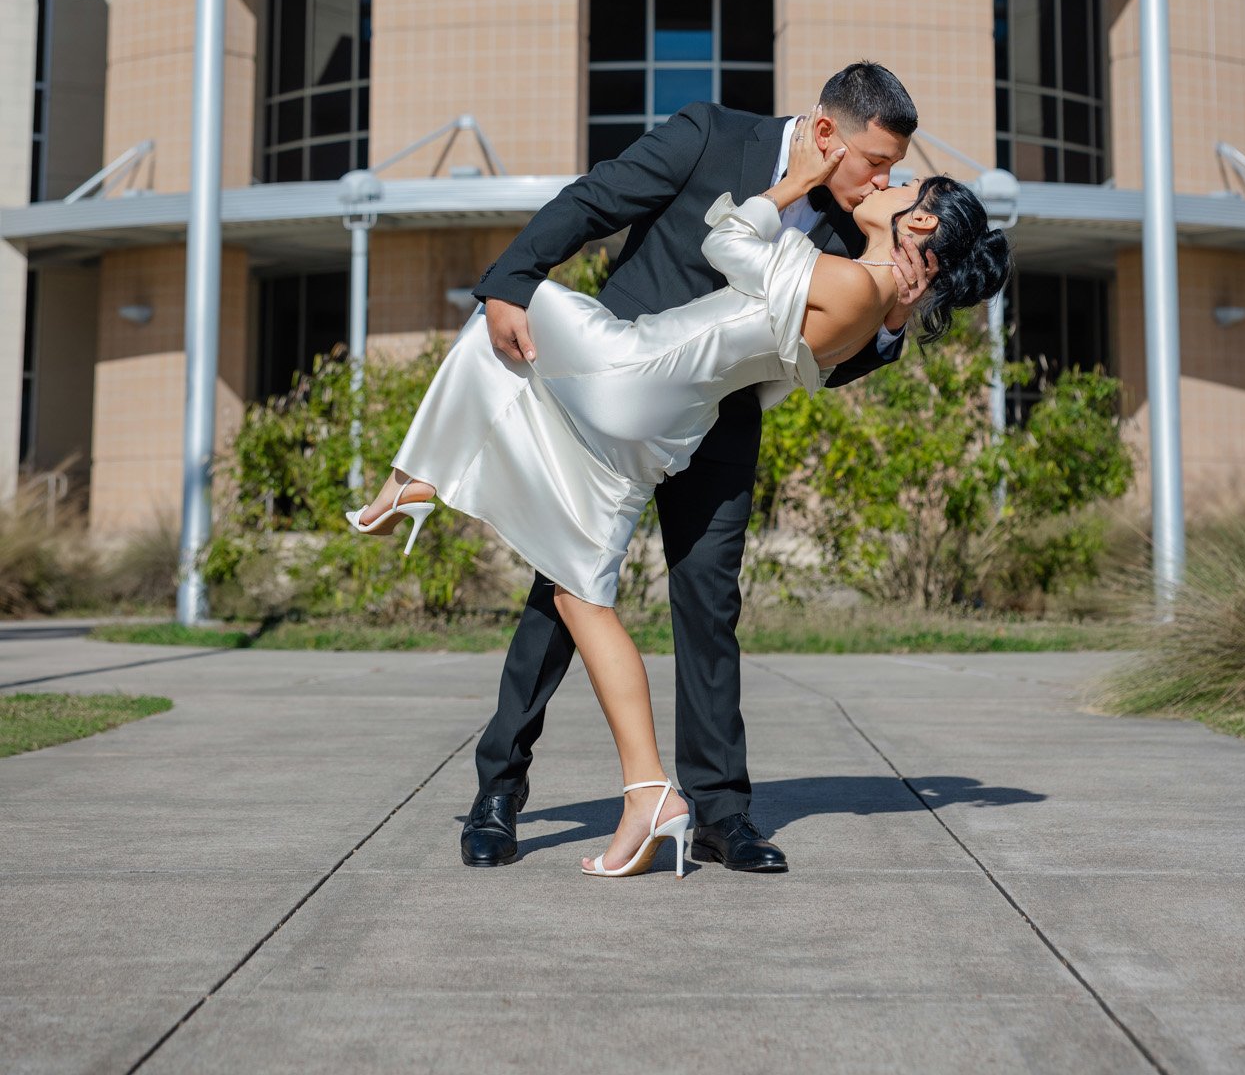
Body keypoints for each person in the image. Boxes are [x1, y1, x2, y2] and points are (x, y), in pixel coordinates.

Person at [351, 64, 1011, 877]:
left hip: (717, 421)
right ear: (827, 132)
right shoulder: (711, 134)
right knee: (559, 594)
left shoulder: (863, 228)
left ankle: (722, 816)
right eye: (876, 162)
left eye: (893, 170)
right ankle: (500, 791)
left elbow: (824, 358)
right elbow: (595, 201)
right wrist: (511, 283)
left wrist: (893, 322)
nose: (886, 179)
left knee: (708, 605)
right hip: (613, 378)